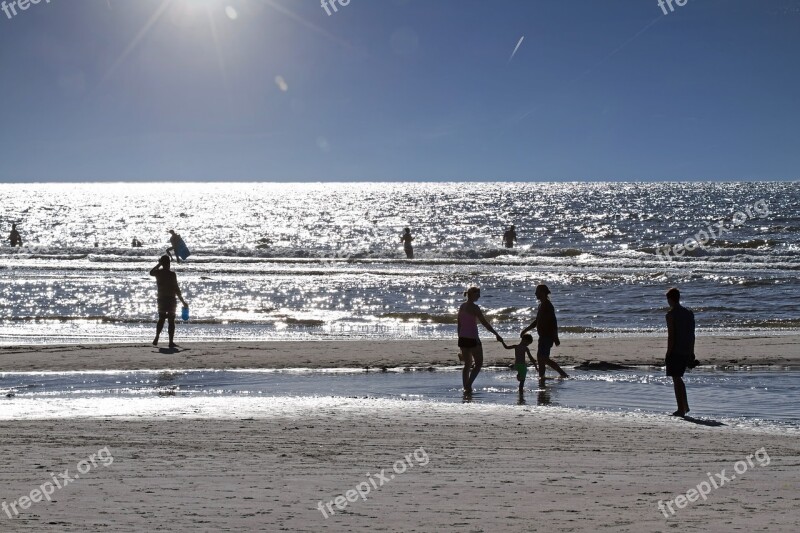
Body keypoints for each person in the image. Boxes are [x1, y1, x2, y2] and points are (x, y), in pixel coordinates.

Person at [457, 286, 503, 393]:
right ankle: (468, 385)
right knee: (478, 364)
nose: (479, 296)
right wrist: (496, 334)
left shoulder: (462, 306)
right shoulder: (475, 308)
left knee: (467, 364)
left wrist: (459, 338)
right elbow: (485, 323)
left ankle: (466, 387)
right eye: (477, 294)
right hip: (473, 339)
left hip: (462, 338)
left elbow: (459, 324)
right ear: (471, 294)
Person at [521, 284, 569, 380]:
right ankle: (541, 377)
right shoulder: (541, 305)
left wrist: (555, 337)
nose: (535, 294)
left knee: (543, 358)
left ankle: (563, 374)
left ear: (542, 292)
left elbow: (553, 322)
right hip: (542, 336)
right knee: (541, 358)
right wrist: (526, 330)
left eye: (537, 292)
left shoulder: (548, 305)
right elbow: (537, 321)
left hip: (547, 336)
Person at [665, 287, 696, 417]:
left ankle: (681, 409)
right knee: (679, 378)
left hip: (676, 350)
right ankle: (685, 406)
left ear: (670, 299)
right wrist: (692, 351)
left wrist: (668, 353)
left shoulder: (670, 315)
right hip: (687, 348)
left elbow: (671, 336)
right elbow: (692, 334)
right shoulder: (689, 313)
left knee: (676, 379)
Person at [150, 255, 187, 348]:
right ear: (169, 263)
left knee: (161, 319)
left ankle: (157, 336)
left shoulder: (158, 273)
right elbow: (176, 289)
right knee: (171, 321)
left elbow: (151, 272)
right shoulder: (172, 274)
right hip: (171, 299)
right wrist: (183, 301)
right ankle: (170, 341)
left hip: (161, 299)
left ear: (162, 263)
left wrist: (159, 264)